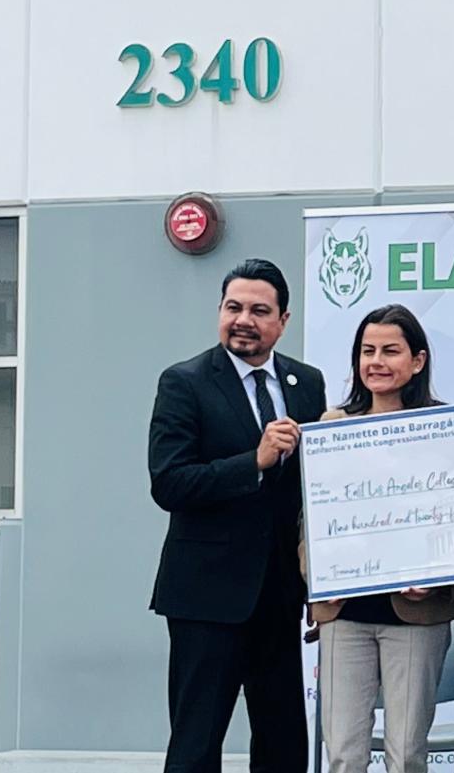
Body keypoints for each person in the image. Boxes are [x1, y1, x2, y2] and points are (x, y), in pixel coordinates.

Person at [148, 258, 326, 773]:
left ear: (283, 320)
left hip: (278, 597)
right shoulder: (184, 382)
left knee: (283, 741)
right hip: (205, 598)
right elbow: (169, 482)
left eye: (258, 310)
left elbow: (312, 494)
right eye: (233, 307)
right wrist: (254, 461)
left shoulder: (306, 383)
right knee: (196, 744)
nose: (243, 319)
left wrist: (320, 581)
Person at [303, 304, 454, 773]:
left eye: (390, 351)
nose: (376, 361)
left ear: (417, 361)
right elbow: (309, 521)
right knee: (343, 754)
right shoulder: (332, 427)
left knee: (406, 754)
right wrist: (317, 579)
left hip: (415, 615)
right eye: (367, 350)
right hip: (344, 615)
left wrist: (436, 576)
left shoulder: (446, 429)